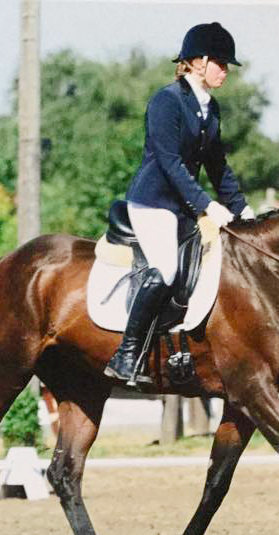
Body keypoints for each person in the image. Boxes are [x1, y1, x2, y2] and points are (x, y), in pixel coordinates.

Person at [104, 22, 254, 383]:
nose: (226, 71)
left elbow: (218, 167)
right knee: (167, 268)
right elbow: (169, 162)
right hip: (153, 203)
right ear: (198, 62)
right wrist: (207, 205)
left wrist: (242, 209)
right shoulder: (166, 101)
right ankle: (126, 355)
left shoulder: (210, 109)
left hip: (183, 207)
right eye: (220, 63)